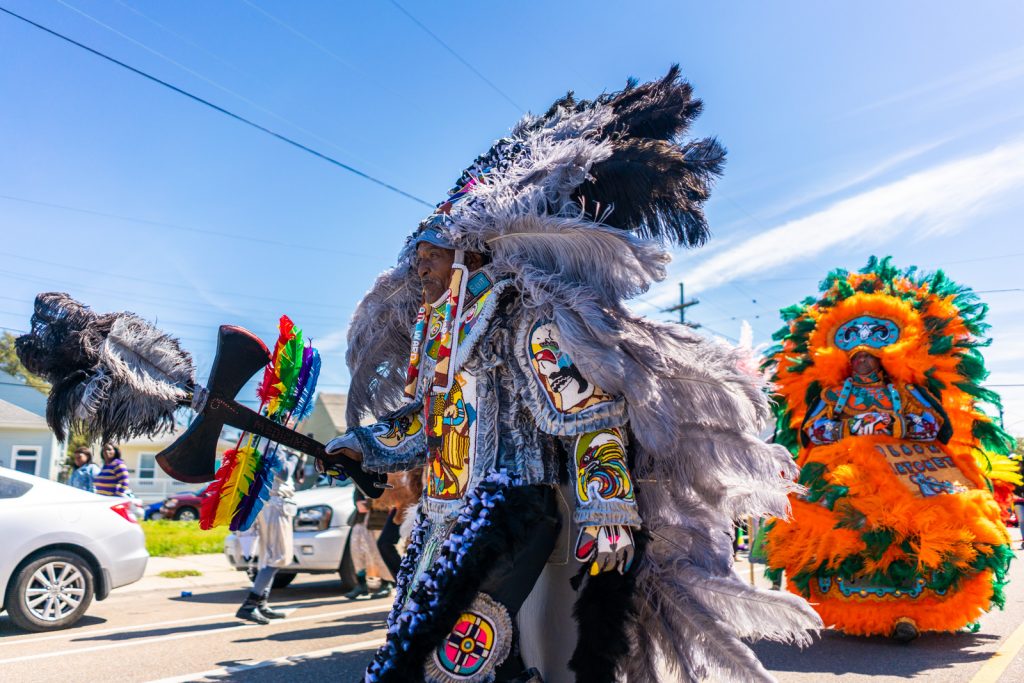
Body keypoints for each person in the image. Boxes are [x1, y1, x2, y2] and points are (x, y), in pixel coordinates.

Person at [321, 68, 820, 683]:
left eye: (431, 254)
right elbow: (426, 423)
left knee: (461, 657)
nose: (418, 266)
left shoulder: (527, 320)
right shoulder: (440, 334)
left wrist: (606, 506)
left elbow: (589, 413)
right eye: (417, 256)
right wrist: (363, 443)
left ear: (469, 255)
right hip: (442, 513)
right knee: (424, 648)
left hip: (514, 506)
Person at [764, 257, 1015, 643]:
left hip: (906, 467)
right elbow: (812, 429)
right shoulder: (834, 395)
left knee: (932, 518)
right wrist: (852, 426)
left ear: (883, 357)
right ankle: (855, 609)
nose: (862, 361)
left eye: (869, 355)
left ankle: (916, 608)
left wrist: (891, 424)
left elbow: (936, 425)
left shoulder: (905, 392)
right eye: (856, 356)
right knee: (835, 520)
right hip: (842, 467)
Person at [236, 450, 300, 624]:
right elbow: (284, 472)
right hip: (275, 504)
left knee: (267, 557)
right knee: (279, 556)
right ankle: (250, 604)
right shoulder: (273, 443)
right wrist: (295, 456)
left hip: (269, 503)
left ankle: (261, 603)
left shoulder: (265, 441)